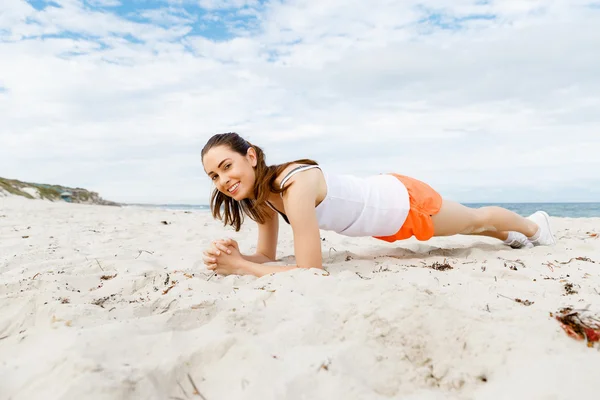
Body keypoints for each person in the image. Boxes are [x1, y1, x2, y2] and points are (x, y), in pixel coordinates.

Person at [201, 132, 555, 277]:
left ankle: (535, 226)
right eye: (214, 176)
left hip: (402, 203)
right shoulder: (264, 200)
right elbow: (268, 258)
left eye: (226, 166)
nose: (223, 180)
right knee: (473, 227)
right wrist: (239, 257)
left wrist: (240, 268)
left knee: (474, 220)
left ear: (250, 156)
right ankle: (510, 237)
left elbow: (311, 271)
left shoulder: (295, 184)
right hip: (388, 222)